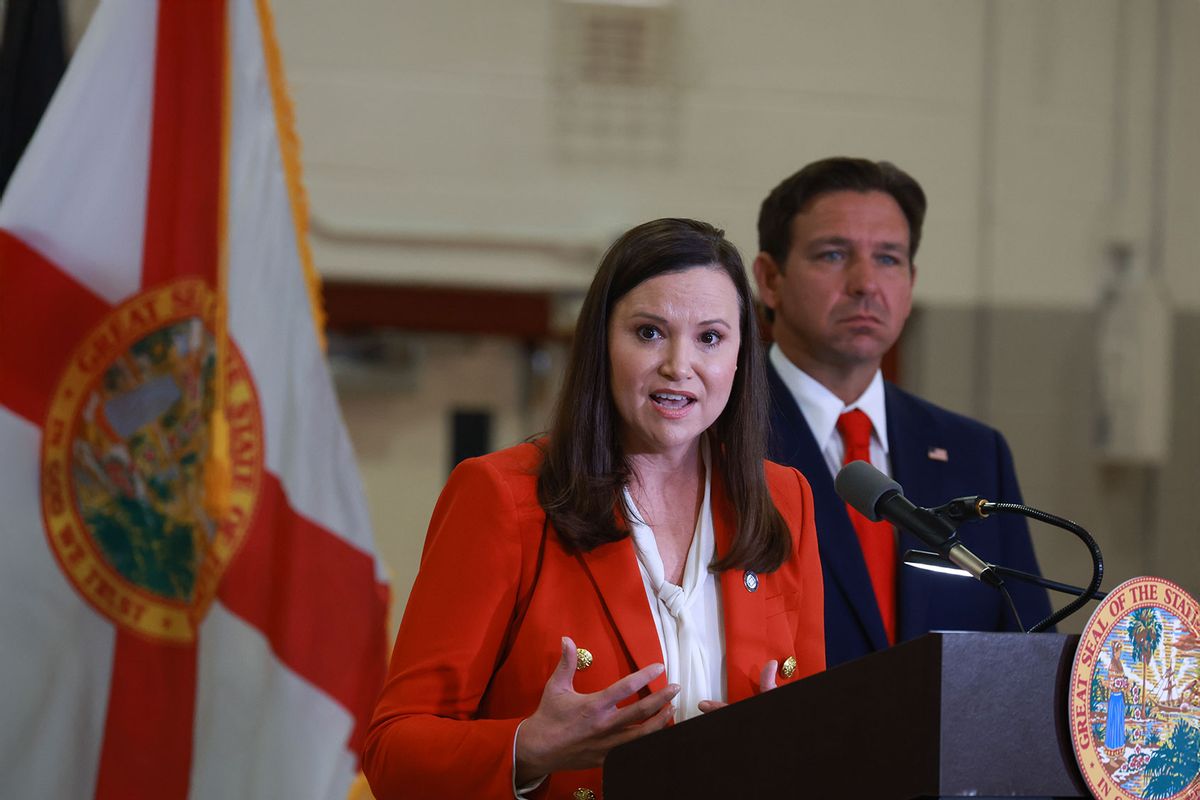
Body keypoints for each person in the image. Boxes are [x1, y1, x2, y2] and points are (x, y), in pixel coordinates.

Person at [363, 218, 825, 799]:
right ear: (602, 342)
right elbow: (393, 752)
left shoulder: (785, 498)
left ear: (741, 356)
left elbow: (817, 734)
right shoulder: (501, 495)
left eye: (710, 337)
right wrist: (528, 749)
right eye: (650, 332)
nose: (679, 365)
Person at [752, 157, 1053, 669]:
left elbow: (1027, 648)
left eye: (888, 259)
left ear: (911, 283)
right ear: (770, 279)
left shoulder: (975, 453)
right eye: (832, 254)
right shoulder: (718, 435)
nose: (866, 283)